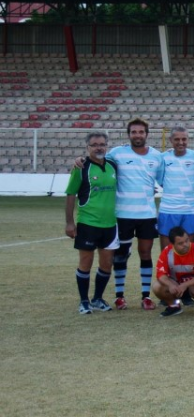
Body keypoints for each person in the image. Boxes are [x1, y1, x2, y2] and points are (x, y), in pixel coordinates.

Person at [108, 118, 165, 311]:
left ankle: (146, 296)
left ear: (146, 134)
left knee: (145, 253)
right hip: (123, 214)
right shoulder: (116, 154)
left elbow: (164, 179)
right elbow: (98, 162)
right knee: (121, 254)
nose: (137, 135)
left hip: (147, 214)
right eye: (134, 132)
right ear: (129, 134)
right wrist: (81, 161)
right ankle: (119, 296)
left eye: (141, 132)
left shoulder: (157, 156)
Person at [65, 131, 118, 314]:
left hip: (110, 225)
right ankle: (84, 301)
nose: (99, 147)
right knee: (85, 263)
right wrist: (70, 223)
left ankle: (97, 298)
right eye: (95, 144)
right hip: (88, 223)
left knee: (106, 264)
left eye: (102, 144)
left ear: (106, 146)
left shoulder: (112, 166)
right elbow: (71, 194)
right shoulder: (81, 167)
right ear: (88, 147)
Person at [158, 127, 194, 253]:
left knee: (188, 250)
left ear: (188, 140)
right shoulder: (163, 157)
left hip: (189, 211)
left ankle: (188, 273)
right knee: (166, 251)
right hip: (168, 210)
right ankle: (167, 273)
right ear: (170, 140)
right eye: (177, 139)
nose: (180, 142)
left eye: (184, 139)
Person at [152, 225, 194, 318]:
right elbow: (161, 274)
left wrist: (185, 285)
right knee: (157, 286)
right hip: (177, 285)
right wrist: (170, 285)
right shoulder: (167, 252)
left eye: (187, 240)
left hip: (193, 285)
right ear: (173, 244)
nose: (186, 244)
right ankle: (174, 306)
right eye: (181, 243)